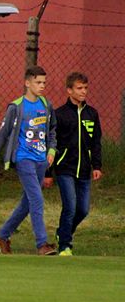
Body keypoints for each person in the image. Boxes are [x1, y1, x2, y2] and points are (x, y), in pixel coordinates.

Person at [0, 66, 57, 255]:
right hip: (24, 158)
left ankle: (2, 234)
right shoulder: (16, 107)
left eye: (44, 83)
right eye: (38, 82)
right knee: (37, 199)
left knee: (27, 203)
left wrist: (51, 149)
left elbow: (52, 130)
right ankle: (42, 244)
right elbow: (2, 135)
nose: (42, 86)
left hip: (41, 160)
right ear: (27, 83)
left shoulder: (46, 105)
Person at [43, 72, 103, 256]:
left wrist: (97, 166)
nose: (83, 91)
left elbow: (96, 142)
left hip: (84, 170)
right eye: (79, 88)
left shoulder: (92, 114)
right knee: (70, 206)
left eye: (85, 88)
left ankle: (63, 233)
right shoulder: (60, 114)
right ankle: (65, 246)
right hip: (64, 169)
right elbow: (52, 143)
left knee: (82, 209)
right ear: (69, 90)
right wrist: (48, 173)